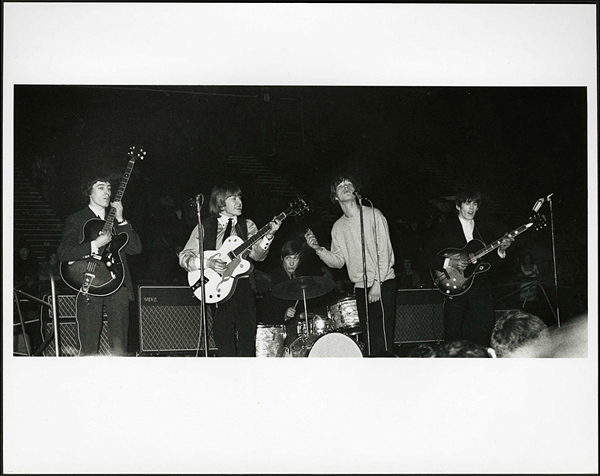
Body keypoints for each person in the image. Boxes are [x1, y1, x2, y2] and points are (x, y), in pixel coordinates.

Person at [178, 181, 281, 357]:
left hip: (243, 285)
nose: (239, 201)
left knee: (247, 335)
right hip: (217, 285)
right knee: (222, 333)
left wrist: (269, 236)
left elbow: (258, 256)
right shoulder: (205, 226)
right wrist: (207, 264)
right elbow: (184, 256)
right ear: (220, 202)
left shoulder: (247, 225)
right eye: (233, 198)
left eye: (239, 197)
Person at [305, 173, 397, 356]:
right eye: (341, 185)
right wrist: (318, 249)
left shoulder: (373, 214)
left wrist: (377, 284)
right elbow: (338, 262)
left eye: (349, 184)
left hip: (383, 282)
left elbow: (384, 252)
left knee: (384, 339)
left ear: (356, 191)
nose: (346, 186)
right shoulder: (338, 227)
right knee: (370, 340)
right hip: (361, 287)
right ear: (335, 197)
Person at [57, 173, 142, 356]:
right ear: (89, 192)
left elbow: (136, 249)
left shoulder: (118, 222)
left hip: (116, 284)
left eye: (109, 188)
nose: (107, 192)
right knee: (88, 345)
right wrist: (95, 244)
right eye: (101, 187)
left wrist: (121, 220)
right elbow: (63, 252)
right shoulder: (77, 219)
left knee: (120, 347)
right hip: (88, 283)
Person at [422, 190, 513, 347]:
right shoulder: (444, 228)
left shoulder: (483, 229)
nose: (471, 208)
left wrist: (501, 250)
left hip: (480, 289)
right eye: (467, 203)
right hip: (455, 288)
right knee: (454, 338)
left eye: (475, 204)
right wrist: (450, 263)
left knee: (484, 335)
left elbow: (493, 264)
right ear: (458, 206)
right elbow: (425, 257)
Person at [261, 240, 304, 346]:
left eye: (296, 259)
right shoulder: (272, 279)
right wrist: (284, 315)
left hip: (296, 327)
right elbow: (266, 312)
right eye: (288, 258)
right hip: (277, 332)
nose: (292, 263)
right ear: (282, 259)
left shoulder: (301, 279)